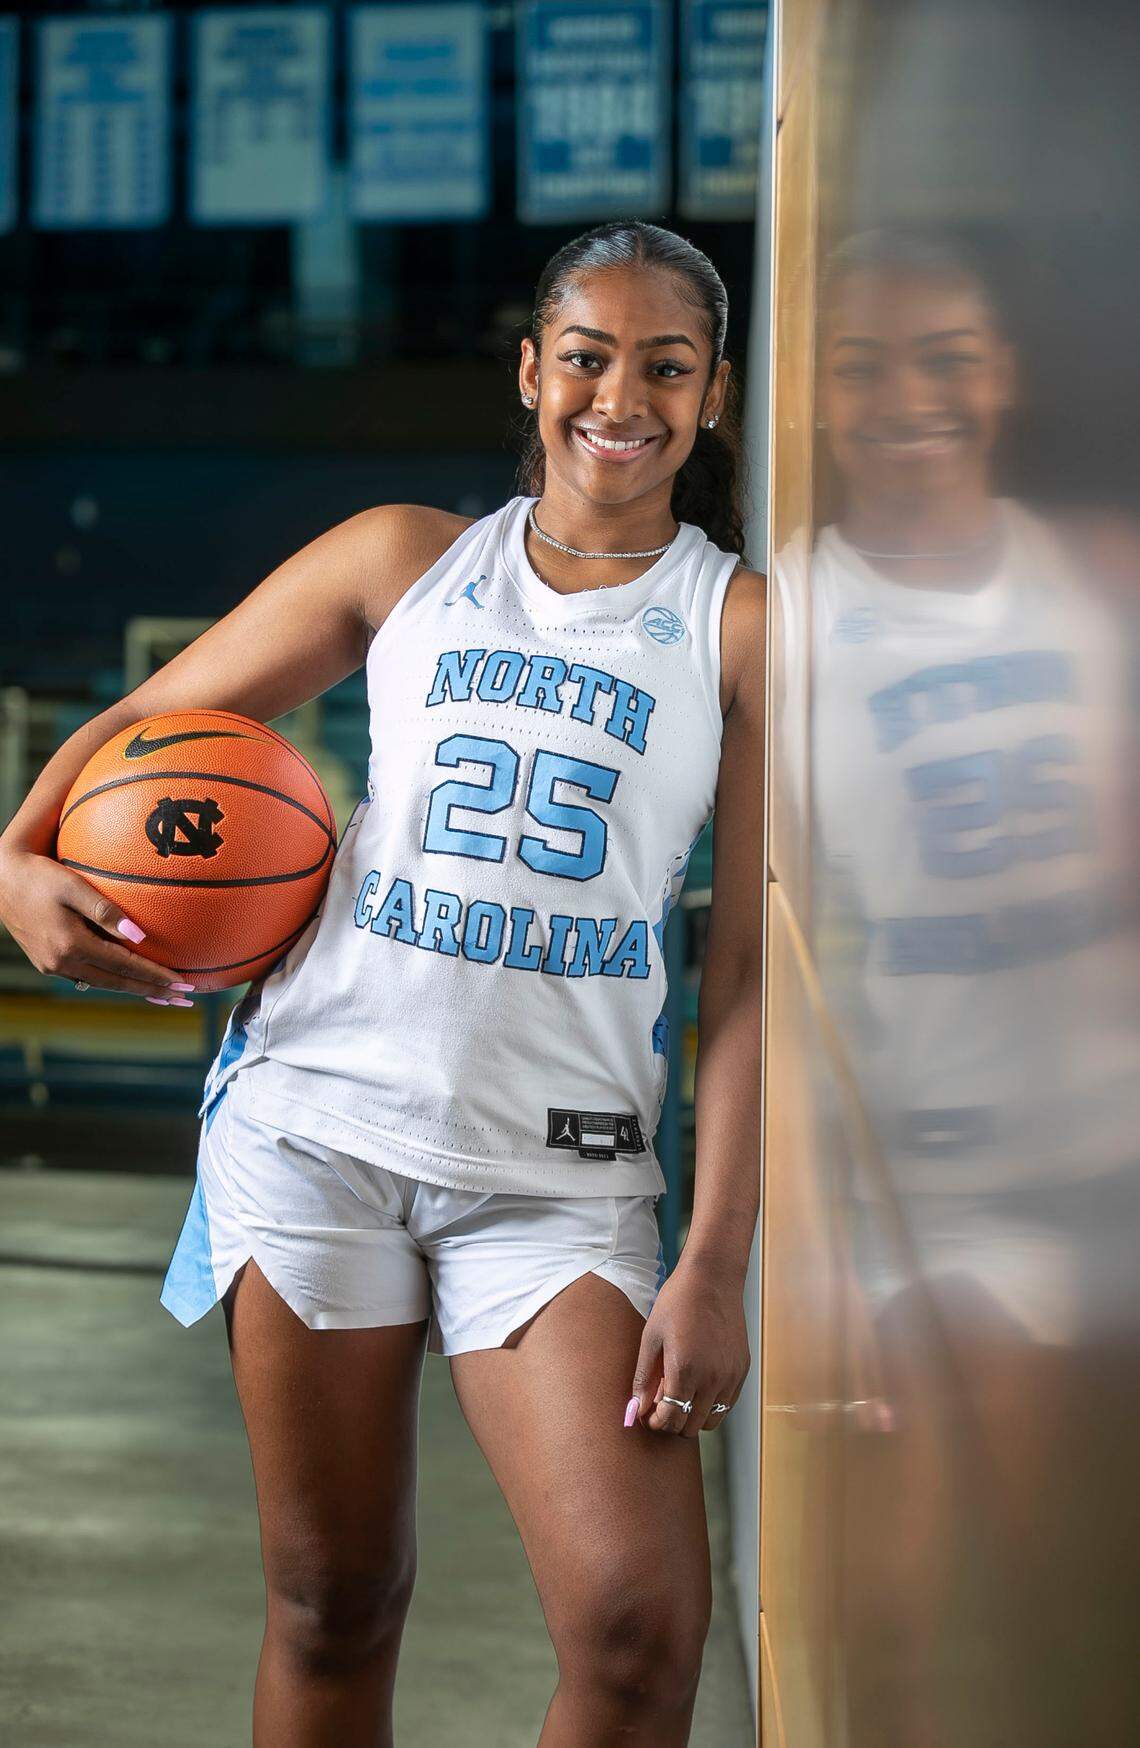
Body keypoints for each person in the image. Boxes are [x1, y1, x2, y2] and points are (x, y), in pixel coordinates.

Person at [0, 220, 766, 1748]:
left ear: (715, 393)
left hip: (557, 1187)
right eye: (590, 357)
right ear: (533, 370)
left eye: (665, 366)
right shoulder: (402, 559)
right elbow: (150, 718)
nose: (623, 396)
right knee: (333, 1603)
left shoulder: (735, 625)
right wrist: (17, 858)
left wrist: (716, 1260)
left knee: (636, 1637)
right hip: (317, 1131)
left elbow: (746, 973)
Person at [774, 226, 1138, 1744]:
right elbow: (766, 976)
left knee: (1067, 1619)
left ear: (1002, 373)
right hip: (917, 1189)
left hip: (1100, 1166)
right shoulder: (786, 624)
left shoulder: (1101, 580)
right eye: (859, 365)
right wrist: (801, 1259)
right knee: (901, 1627)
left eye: (942, 356)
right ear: (816, 397)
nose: (904, 396)